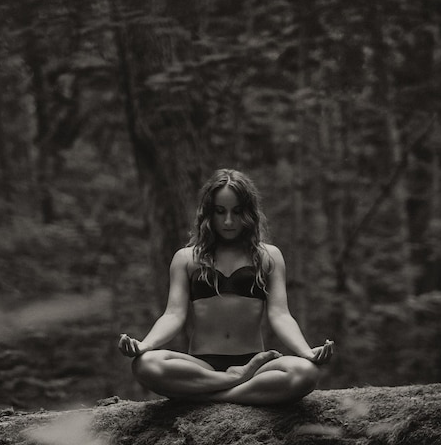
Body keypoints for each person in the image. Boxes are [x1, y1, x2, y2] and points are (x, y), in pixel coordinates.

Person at [118, 169, 334, 405]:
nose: (228, 221)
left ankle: (212, 395)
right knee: (145, 365)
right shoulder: (186, 258)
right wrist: (145, 344)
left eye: (236, 212)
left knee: (306, 373)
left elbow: (280, 314)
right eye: (220, 212)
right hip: (200, 366)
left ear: (248, 213)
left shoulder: (268, 257)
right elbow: (173, 314)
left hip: (254, 365)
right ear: (209, 213)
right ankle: (232, 381)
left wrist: (306, 352)